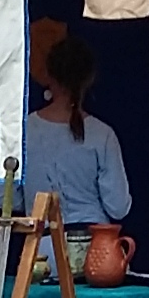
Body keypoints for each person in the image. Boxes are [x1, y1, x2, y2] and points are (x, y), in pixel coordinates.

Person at [17, 32, 131, 233]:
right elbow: (118, 207)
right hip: (94, 243)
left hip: (42, 242)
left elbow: (0, 197)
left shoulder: (21, 132)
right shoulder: (102, 135)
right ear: (90, 79)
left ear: (48, 76)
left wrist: (29, 199)